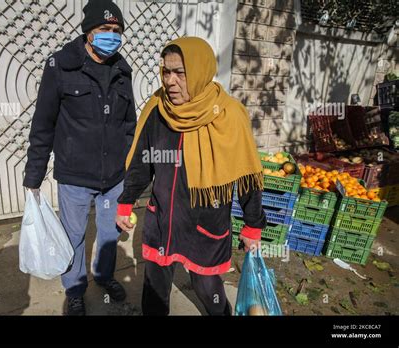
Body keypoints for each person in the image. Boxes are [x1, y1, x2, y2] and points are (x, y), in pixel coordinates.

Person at [115, 37, 266, 316]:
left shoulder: (229, 115)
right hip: (164, 219)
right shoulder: (157, 109)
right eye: (166, 71)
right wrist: (126, 202)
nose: (170, 81)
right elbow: (141, 162)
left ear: (199, 71)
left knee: (209, 290)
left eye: (180, 73)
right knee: (154, 292)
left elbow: (247, 175)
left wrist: (253, 225)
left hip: (205, 224)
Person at [23, 0, 136, 316]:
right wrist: (34, 176)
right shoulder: (60, 66)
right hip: (74, 175)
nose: (112, 36)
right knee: (72, 235)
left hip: (113, 177)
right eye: (105, 30)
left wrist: (129, 167)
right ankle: (74, 289)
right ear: (88, 32)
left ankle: (104, 276)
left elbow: (130, 125)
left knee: (110, 233)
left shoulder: (122, 70)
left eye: (117, 31)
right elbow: (43, 124)